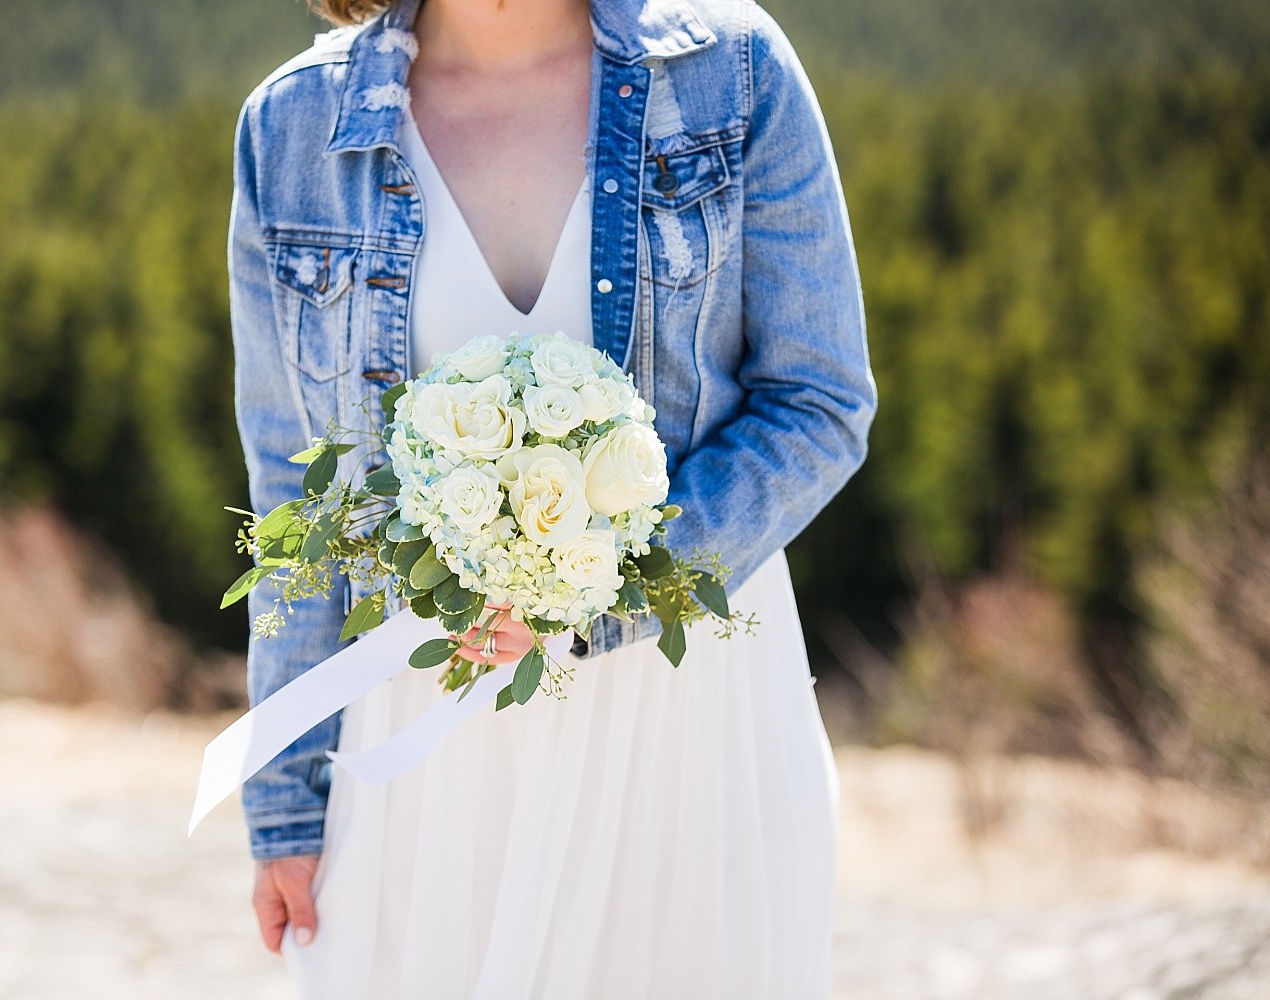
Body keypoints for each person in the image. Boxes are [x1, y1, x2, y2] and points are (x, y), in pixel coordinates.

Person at [226, 0, 876, 994]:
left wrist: (596, 595)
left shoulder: (730, 72)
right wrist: (286, 804)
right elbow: (296, 492)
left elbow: (819, 401)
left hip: (685, 720)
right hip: (427, 749)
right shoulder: (292, 128)